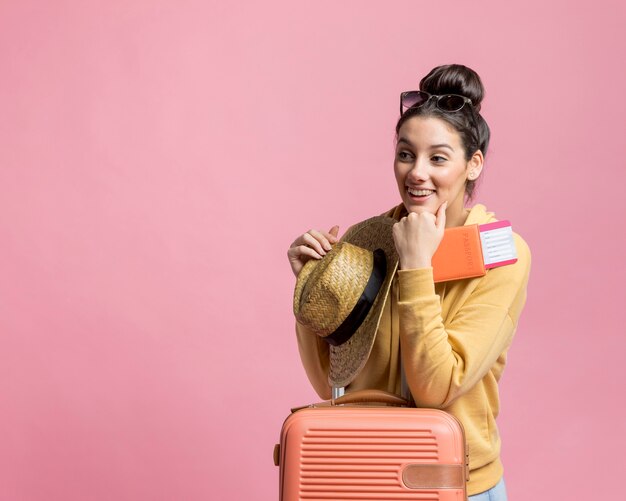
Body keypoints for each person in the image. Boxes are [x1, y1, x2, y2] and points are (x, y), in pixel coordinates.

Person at [286, 64, 530, 500]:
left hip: (458, 482)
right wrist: (311, 295)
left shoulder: (500, 255)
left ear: (473, 165)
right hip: (369, 475)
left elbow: (438, 389)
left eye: (438, 157)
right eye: (405, 153)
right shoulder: (368, 241)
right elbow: (329, 383)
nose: (417, 173)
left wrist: (416, 268)